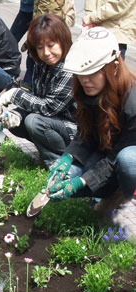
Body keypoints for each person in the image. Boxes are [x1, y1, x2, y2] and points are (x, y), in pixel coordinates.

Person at [46, 27, 136, 216]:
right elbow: (85, 134)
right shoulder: (91, 90)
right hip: (112, 155)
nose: (85, 80)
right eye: (80, 73)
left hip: (128, 156)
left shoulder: (133, 101)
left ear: (113, 66)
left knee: (127, 160)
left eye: (93, 72)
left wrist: (84, 181)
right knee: (74, 174)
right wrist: (67, 157)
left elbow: (116, 157)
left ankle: (128, 200)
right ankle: (107, 196)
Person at [0, 14, 77, 167]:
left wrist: (15, 94)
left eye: (51, 45)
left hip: (76, 132)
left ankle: (58, 164)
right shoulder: (43, 64)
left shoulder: (70, 67)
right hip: (56, 121)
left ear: (63, 41)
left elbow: (49, 107)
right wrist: (17, 113)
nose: (46, 52)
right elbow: (36, 97)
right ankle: (49, 153)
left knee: (34, 122)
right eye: (40, 47)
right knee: (16, 122)